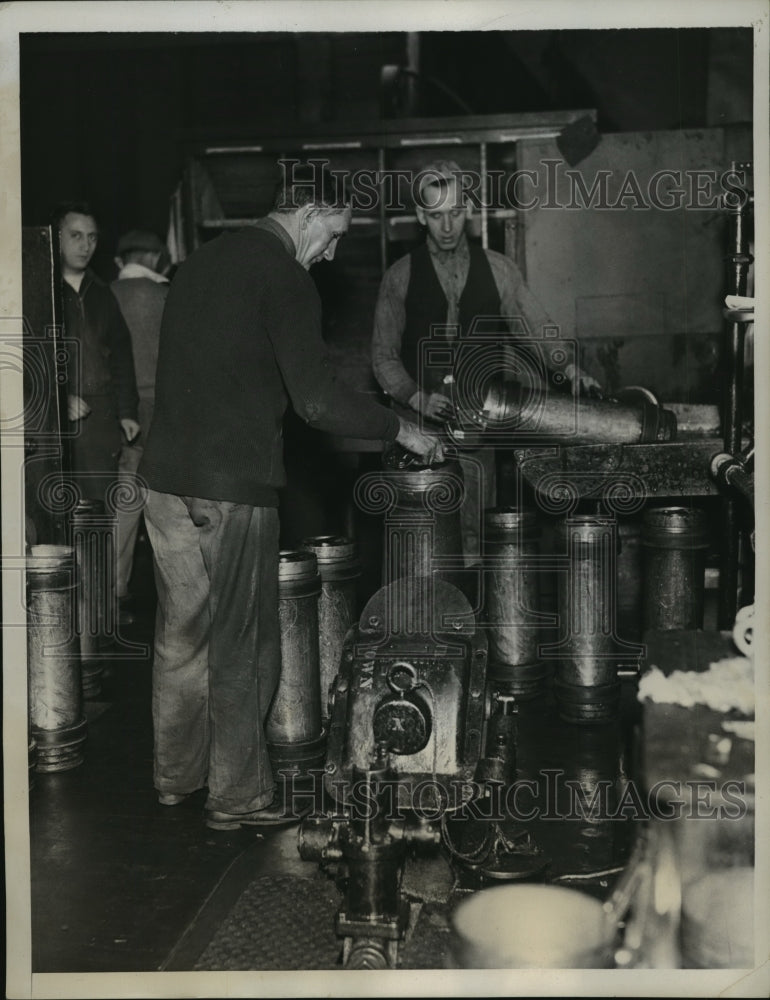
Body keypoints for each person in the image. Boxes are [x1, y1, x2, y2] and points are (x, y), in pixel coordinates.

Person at [138, 163, 441, 831]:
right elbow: (314, 400)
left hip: (162, 480)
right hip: (233, 486)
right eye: (332, 235)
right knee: (242, 640)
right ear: (306, 215)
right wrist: (403, 429)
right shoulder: (285, 275)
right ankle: (237, 796)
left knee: (179, 634)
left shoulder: (199, 263)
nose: (331, 253)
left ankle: (175, 778)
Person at [371, 160, 601, 560]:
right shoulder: (399, 277)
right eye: (437, 215)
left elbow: (538, 327)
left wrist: (568, 366)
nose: (447, 226)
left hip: (478, 426)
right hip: (415, 433)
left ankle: (473, 618)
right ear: (421, 216)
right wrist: (415, 396)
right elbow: (382, 357)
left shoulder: (500, 270)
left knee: (475, 536)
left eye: (456, 213)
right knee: (419, 542)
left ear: (470, 211)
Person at [55, 202, 140, 502]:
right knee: (57, 516)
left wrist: (127, 412)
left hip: (100, 420)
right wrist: (57, 397)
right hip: (56, 421)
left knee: (98, 514)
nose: (85, 245)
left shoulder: (103, 294)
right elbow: (27, 362)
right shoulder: (40, 289)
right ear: (56, 237)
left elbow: (120, 357)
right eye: (76, 236)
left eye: (92, 237)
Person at [110, 230, 170, 621]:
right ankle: (176, 603)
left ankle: (113, 598)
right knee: (168, 510)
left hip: (123, 411)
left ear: (120, 260)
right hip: (164, 409)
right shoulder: (168, 295)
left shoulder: (105, 293)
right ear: (158, 259)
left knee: (123, 507)